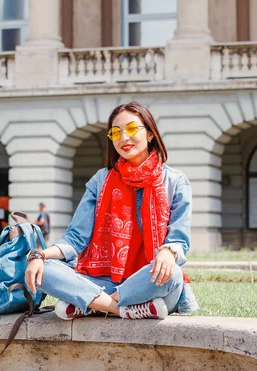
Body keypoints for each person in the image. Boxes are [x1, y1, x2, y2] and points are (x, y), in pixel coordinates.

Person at [25, 101, 199, 320]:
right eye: (116, 132)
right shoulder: (101, 180)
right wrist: (39, 255)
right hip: (104, 279)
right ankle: (123, 309)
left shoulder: (175, 181)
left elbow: (179, 242)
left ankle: (91, 304)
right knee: (45, 270)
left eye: (132, 129)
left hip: (150, 281)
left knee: (172, 273)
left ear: (150, 134)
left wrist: (168, 251)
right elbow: (76, 238)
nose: (123, 138)